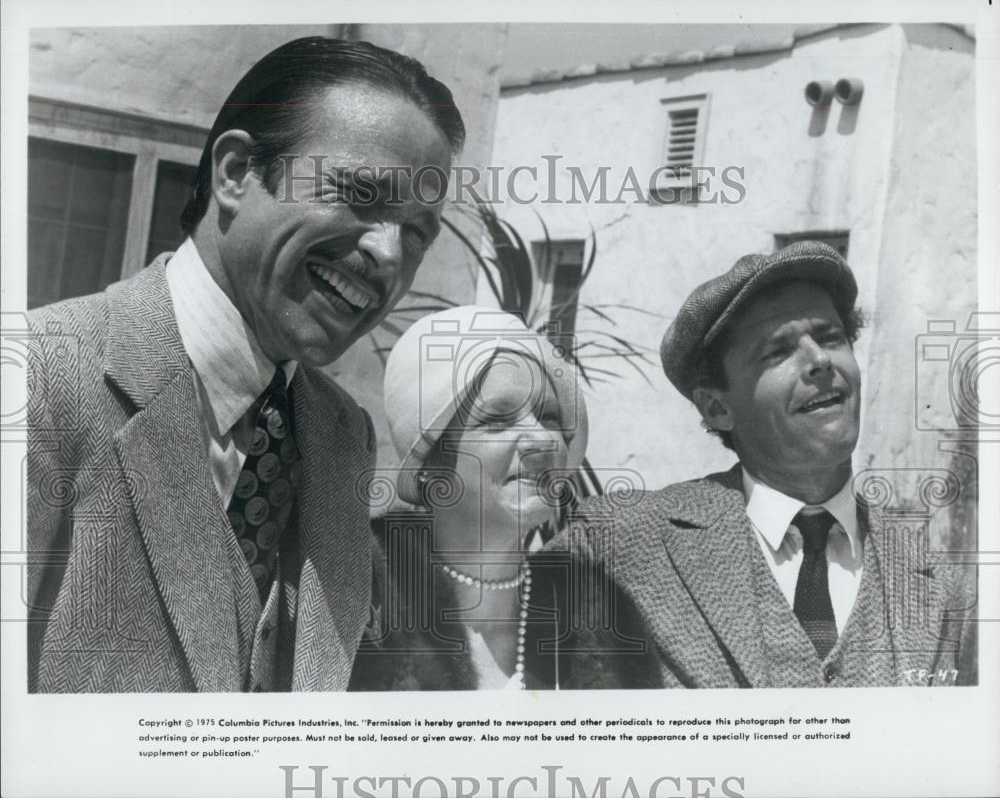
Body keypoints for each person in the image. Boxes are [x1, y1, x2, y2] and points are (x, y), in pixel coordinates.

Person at [25, 36, 464, 692]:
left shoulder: (344, 433)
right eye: (362, 194)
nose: (390, 255)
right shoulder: (39, 376)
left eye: (418, 232)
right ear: (234, 173)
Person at [527, 241, 976, 688]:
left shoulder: (943, 590)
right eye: (777, 351)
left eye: (830, 337)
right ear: (717, 407)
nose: (820, 360)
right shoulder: (615, 545)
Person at [348, 306, 588, 690]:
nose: (543, 440)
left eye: (549, 417)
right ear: (430, 460)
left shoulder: (587, 617)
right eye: (498, 420)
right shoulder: (353, 603)